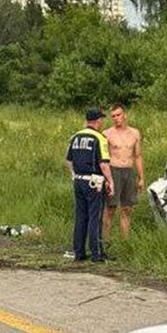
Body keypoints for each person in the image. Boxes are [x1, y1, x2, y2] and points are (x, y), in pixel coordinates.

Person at [65, 108, 114, 262]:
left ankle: (79, 252)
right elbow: (104, 164)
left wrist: (74, 175)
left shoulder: (75, 137)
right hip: (94, 182)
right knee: (95, 217)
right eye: (101, 119)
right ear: (98, 120)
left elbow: (68, 160)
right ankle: (96, 254)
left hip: (78, 180)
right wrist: (110, 181)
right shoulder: (99, 138)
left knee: (81, 217)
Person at [103, 103, 145, 241]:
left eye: (118, 115)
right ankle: (105, 241)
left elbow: (138, 156)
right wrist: (106, 178)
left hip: (129, 171)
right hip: (113, 170)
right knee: (110, 208)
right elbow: (103, 159)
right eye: (113, 116)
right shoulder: (107, 134)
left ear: (125, 115)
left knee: (127, 209)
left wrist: (141, 178)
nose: (116, 118)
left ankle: (124, 241)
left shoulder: (135, 133)